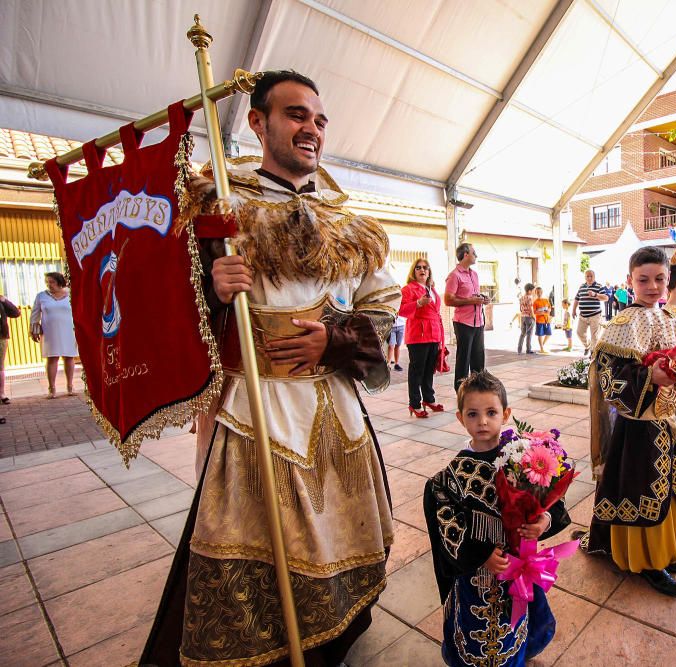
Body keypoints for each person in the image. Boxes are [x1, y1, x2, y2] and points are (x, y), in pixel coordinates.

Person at [142, 70, 399, 666]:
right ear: (258, 122)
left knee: (340, 529)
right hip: (255, 408)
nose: (311, 129)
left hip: (334, 408)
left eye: (318, 119)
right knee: (261, 542)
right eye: (295, 115)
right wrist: (209, 284)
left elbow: (383, 307)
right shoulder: (218, 209)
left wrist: (333, 342)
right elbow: (168, 312)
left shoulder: (348, 222)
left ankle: (334, 637)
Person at [423, 371, 570, 666]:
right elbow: (448, 524)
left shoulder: (523, 458)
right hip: (477, 577)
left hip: (518, 568)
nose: (483, 422)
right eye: (473, 414)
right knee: (480, 637)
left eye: (491, 412)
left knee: (514, 628)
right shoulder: (452, 476)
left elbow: (548, 495)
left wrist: (543, 521)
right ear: (460, 418)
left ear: (506, 414)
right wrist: (481, 555)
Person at [581, 247, 676, 597]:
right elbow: (608, 379)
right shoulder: (621, 325)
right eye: (643, 279)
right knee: (643, 488)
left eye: (659, 279)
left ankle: (665, 550)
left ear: (668, 280)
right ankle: (647, 561)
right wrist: (650, 376)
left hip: (670, 421)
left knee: (671, 488)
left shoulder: (673, 320)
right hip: (638, 426)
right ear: (630, 281)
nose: (652, 285)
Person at [399, 258, 445, 418]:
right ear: (413, 271)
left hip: (433, 333)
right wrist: (418, 303)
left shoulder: (431, 289)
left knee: (428, 371)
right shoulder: (408, 289)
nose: (422, 270)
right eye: (418, 267)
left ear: (429, 271)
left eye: (425, 267)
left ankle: (429, 399)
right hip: (418, 334)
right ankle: (414, 403)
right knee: (416, 371)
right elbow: (401, 310)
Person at [445, 243, 488, 391]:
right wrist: (471, 301)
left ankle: (478, 388)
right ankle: (461, 390)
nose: (476, 255)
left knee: (479, 357)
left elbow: (473, 295)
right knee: (464, 358)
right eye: (474, 252)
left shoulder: (474, 274)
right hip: (463, 323)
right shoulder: (454, 275)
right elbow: (448, 300)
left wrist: (482, 298)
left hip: (478, 322)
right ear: (465, 255)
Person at [30, 272, 78, 399]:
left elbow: (78, 311)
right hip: (50, 331)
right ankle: (52, 389)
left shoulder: (70, 294)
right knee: (52, 358)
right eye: (47, 282)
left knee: (69, 357)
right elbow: (35, 314)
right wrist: (34, 329)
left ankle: (70, 386)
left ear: (59, 282)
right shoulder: (41, 296)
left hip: (68, 330)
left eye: (51, 282)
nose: (49, 284)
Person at [572, 270, 609, 353]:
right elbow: (577, 299)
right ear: (585, 277)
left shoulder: (599, 286)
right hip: (582, 316)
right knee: (579, 333)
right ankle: (587, 345)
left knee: (595, 337)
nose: (589, 278)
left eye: (591, 276)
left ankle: (593, 354)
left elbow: (606, 298)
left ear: (594, 276)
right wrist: (573, 310)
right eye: (587, 276)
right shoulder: (581, 287)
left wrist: (595, 295)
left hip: (595, 315)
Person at [0, 290, 21, 409]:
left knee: (0, 366)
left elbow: (15, 313)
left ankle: (1, 394)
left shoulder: (0, 300)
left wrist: (4, 301)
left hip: (1, 337)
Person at [517, 282, 536, 355]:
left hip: (523, 317)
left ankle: (519, 350)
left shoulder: (522, 297)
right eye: (532, 290)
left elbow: (520, 308)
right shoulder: (529, 297)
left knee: (522, 334)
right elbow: (530, 308)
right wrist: (533, 316)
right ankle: (528, 349)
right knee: (529, 334)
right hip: (529, 317)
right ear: (529, 291)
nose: (533, 292)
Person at [533, 286, 552, 354]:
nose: (539, 293)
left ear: (542, 292)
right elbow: (535, 312)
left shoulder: (546, 300)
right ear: (536, 293)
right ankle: (541, 348)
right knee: (540, 335)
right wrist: (543, 312)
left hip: (547, 320)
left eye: (540, 292)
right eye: (538, 292)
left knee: (549, 334)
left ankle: (542, 345)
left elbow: (550, 307)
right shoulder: (535, 302)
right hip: (539, 321)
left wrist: (549, 310)